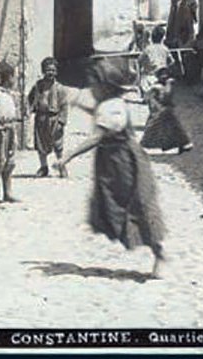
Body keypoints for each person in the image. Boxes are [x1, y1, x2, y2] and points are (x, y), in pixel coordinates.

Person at [57, 60, 166, 277]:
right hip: (113, 162)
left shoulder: (111, 107)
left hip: (122, 162)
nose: (91, 89)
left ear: (104, 86)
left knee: (135, 205)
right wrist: (82, 106)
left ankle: (159, 253)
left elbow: (97, 136)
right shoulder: (110, 104)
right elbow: (99, 113)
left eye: (94, 85)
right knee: (117, 206)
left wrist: (68, 156)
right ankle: (153, 250)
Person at [27, 57, 69, 178]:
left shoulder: (60, 88)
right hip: (41, 118)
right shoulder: (38, 86)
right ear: (43, 71)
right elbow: (30, 98)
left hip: (54, 118)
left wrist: (61, 121)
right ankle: (43, 167)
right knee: (41, 143)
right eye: (48, 70)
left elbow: (64, 105)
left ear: (56, 72)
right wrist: (31, 108)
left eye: (53, 70)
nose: (50, 73)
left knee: (58, 144)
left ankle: (61, 166)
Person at [0, 62, 20, 204]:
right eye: (13, 77)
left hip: (10, 129)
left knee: (10, 162)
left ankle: (7, 192)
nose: (15, 80)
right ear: (7, 78)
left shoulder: (9, 95)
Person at [140, 68, 193, 155]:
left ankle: (182, 144)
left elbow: (166, 97)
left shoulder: (165, 85)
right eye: (162, 75)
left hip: (165, 110)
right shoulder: (157, 87)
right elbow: (151, 98)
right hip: (162, 110)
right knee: (169, 128)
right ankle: (182, 144)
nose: (164, 77)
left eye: (165, 75)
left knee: (169, 128)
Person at [138, 24, 171, 93]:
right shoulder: (165, 49)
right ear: (162, 38)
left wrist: (145, 65)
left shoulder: (148, 49)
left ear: (152, 37)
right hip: (163, 73)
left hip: (152, 74)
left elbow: (140, 60)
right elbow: (171, 61)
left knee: (143, 78)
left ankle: (144, 92)